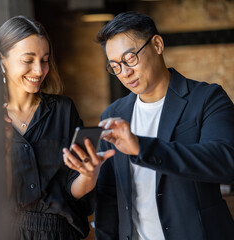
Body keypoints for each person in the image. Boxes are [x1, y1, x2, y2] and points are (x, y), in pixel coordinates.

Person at [64, 11, 234, 240]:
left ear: (157, 44)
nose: (124, 73)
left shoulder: (207, 98)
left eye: (130, 58)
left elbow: (226, 161)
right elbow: (109, 198)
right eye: (114, 66)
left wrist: (141, 148)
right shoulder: (113, 114)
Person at [0, 15, 114, 240]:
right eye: (28, 60)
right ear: (2, 59)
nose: (39, 70)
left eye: (44, 60)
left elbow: (72, 189)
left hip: (59, 233)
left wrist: (89, 174)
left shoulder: (63, 110)